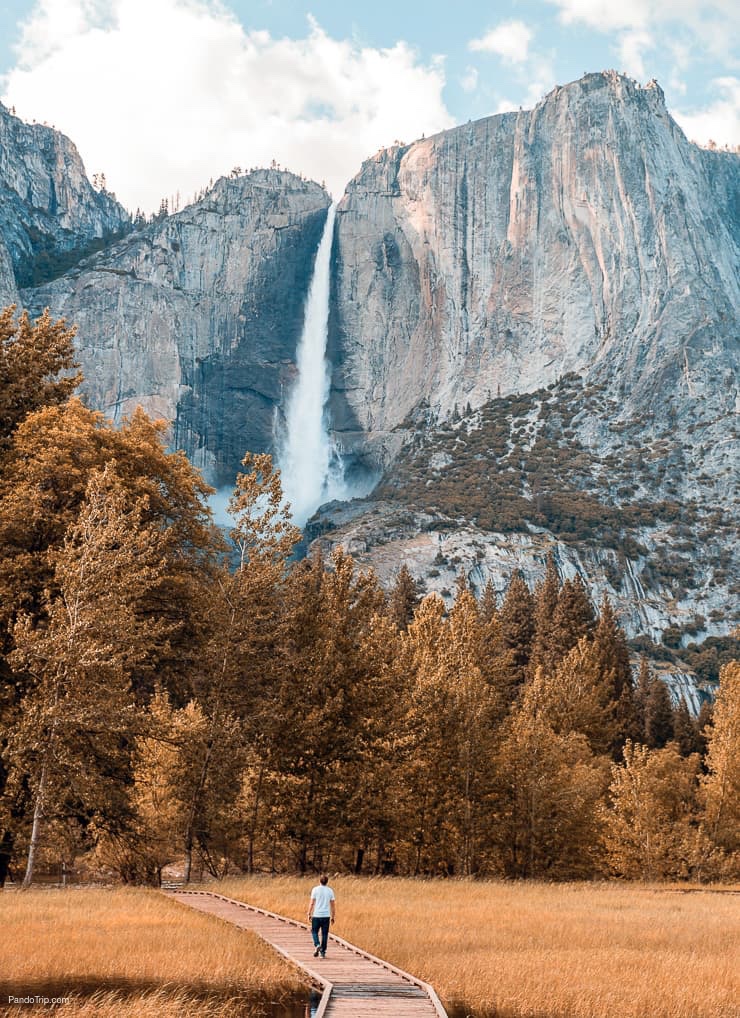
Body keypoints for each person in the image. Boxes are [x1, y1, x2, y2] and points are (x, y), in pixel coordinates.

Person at [307, 873, 335, 958]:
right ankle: (322, 952)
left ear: (320, 881)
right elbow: (333, 905)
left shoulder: (315, 889)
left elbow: (312, 903)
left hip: (316, 915)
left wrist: (309, 913)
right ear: (327, 882)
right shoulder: (330, 891)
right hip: (326, 916)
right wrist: (333, 917)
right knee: (325, 934)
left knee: (314, 931)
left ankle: (317, 944)